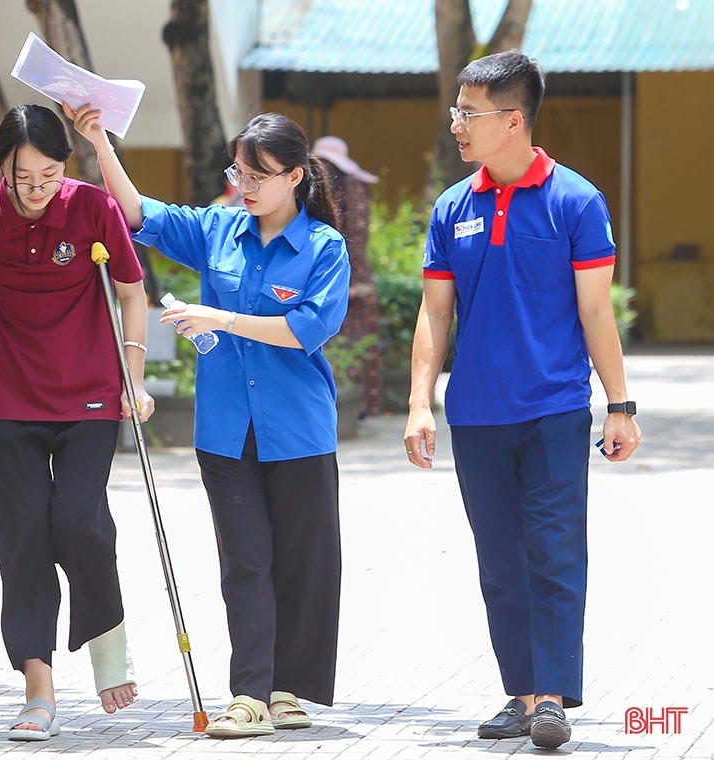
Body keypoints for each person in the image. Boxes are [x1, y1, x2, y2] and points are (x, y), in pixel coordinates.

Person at [67, 102, 350, 738]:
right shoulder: (218, 228)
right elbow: (139, 214)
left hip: (299, 427)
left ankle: (290, 690)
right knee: (245, 561)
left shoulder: (324, 247)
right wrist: (98, 141)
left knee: (305, 561)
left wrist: (218, 318)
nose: (245, 187)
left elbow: (307, 327)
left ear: (296, 176)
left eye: (259, 175)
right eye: (240, 173)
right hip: (225, 428)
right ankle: (248, 694)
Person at [403, 50, 642, 750]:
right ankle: (523, 693)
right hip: (475, 413)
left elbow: (597, 314)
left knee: (556, 551)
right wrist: (421, 402)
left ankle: (553, 700)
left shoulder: (576, 200)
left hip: (554, 410)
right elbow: (433, 315)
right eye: (456, 111)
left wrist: (620, 406)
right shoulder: (454, 206)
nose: (457, 124)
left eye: (468, 113)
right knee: (500, 559)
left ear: (513, 120)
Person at [0, 104, 152, 742]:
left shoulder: (92, 209)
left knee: (78, 518)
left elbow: (131, 292)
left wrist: (133, 380)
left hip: (88, 394)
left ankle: (107, 637)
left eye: (50, 174)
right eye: (24, 176)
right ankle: (39, 690)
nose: (37, 189)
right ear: (3, 166)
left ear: (66, 166)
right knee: (23, 534)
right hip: (6, 398)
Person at [313, 136, 383, 416]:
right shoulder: (321, 190)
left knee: (351, 341)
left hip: (350, 275)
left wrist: (353, 286)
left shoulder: (351, 190)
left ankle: (358, 408)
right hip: (337, 274)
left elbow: (355, 238)